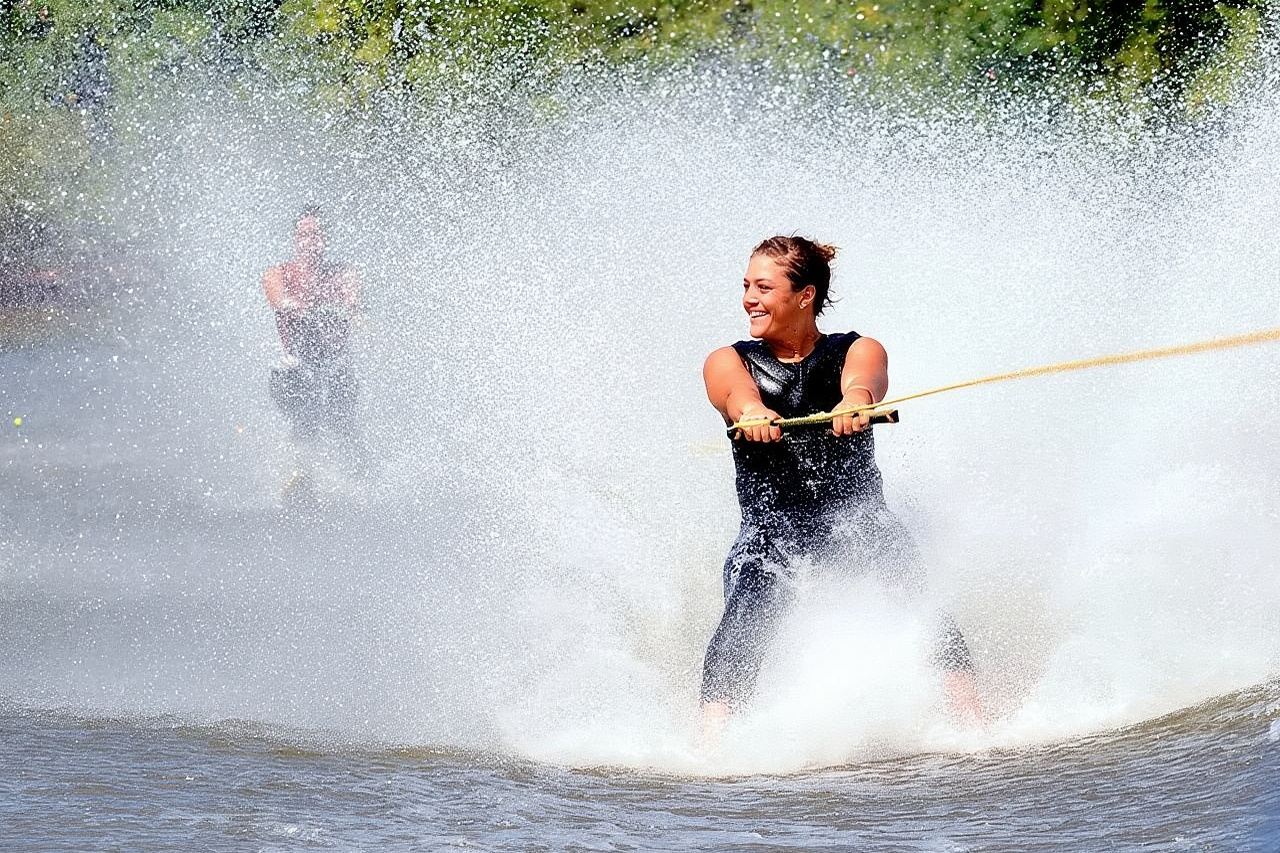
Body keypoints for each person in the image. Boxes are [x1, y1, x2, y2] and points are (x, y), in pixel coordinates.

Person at [700, 235, 981, 730]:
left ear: (804, 295)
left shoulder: (858, 349)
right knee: (744, 623)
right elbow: (737, 396)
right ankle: (712, 748)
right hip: (772, 533)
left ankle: (975, 727)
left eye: (763, 287)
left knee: (923, 607)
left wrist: (855, 404)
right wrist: (752, 412)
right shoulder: (729, 360)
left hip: (860, 523)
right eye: (746, 286)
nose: (748, 298)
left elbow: (863, 381)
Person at [262, 206, 365, 459]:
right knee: (304, 408)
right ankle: (300, 465)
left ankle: (356, 474)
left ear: (325, 239)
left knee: (342, 417)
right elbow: (278, 299)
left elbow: (353, 304)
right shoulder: (278, 274)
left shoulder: (342, 274)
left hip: (335, 365)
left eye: (316, 235)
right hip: (295, 367)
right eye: (304, 235)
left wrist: (348, 312)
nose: (311, 242)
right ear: (296, 240)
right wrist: (297, 307)